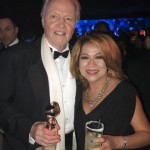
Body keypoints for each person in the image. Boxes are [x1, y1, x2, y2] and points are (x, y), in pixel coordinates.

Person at [0, 0, 80, 150]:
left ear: (75, 23)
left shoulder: (84, 59)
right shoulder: (14, 57)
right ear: (43, 20)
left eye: (68, 18)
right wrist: (30, 128)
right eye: (54, 17)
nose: (61, 24)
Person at [70, 33, 150, 150]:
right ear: (77, 61)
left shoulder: (124, 92)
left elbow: (147, 134)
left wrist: (116, 142)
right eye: (85, 57)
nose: (91, 64)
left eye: (99, 57)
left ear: (109, 60)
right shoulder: (77, 89)